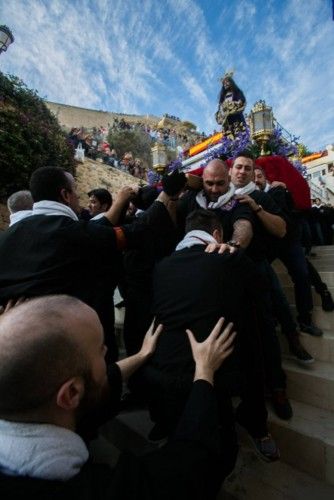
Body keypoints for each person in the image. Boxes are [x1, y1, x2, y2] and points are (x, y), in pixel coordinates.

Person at [0, 295, 237, 500]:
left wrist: (142, 354)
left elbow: (101, 381)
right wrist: (205, 369)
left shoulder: (27, 409)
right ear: (71, 394)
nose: (106, 353)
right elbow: (187, 469)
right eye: (99, 349)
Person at [135, 209, 279, 463]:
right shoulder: (228, 259)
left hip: (165, 372)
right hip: (216, 374)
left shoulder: (163, 266)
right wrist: (237, 255)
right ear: (216, 234)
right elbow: (261, 288)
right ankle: (256, 424)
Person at [0, 166, 177, 363]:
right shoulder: (77, 234)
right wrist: (163, 199)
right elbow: (134, 234)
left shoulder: (5, 240)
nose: (79, 198)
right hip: (77, 354)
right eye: (75, 191)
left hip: (17, 356)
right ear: (65, 195)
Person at [254, 166, 328, 333]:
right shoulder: (251, 195)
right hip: (269, 245)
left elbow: (287, 213)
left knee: (301, 275)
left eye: (259, 176)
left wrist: (283, 188)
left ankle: (306, 319)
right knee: (261, 277)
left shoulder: (278, 191)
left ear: (266, 179)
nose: (256, 179)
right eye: (254, 177)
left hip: (288, 241)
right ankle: (272, 315)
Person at [177, 159, 254, 248]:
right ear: (202, 181)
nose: (214, 189)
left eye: (220, 183)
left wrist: (231, 247)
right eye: (209, 183)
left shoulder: (238, 201)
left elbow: (244, 226)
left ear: (229, 179)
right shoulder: (191, 197)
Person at [215, 73, 246, 138]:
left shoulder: (237, 92)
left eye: (227, 82)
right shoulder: (223, 97)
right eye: (224, 83)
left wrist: (234, 104)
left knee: (240, 136)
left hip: (237, 119)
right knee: (229, 139)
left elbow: (241, 102)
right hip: (227, 122)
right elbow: (220, 109)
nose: (225, 84)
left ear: (231, 82)